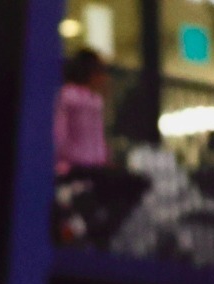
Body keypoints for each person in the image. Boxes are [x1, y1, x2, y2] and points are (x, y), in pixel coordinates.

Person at [52, 48, 148, 246]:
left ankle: (94, 232)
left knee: (135, 184)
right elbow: (59, 135)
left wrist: (105, 160)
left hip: (93, 169)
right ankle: (91, 233)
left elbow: (97, 140)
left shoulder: (94, 101)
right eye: (100, 72)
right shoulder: (68, 96)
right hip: (74, 168)